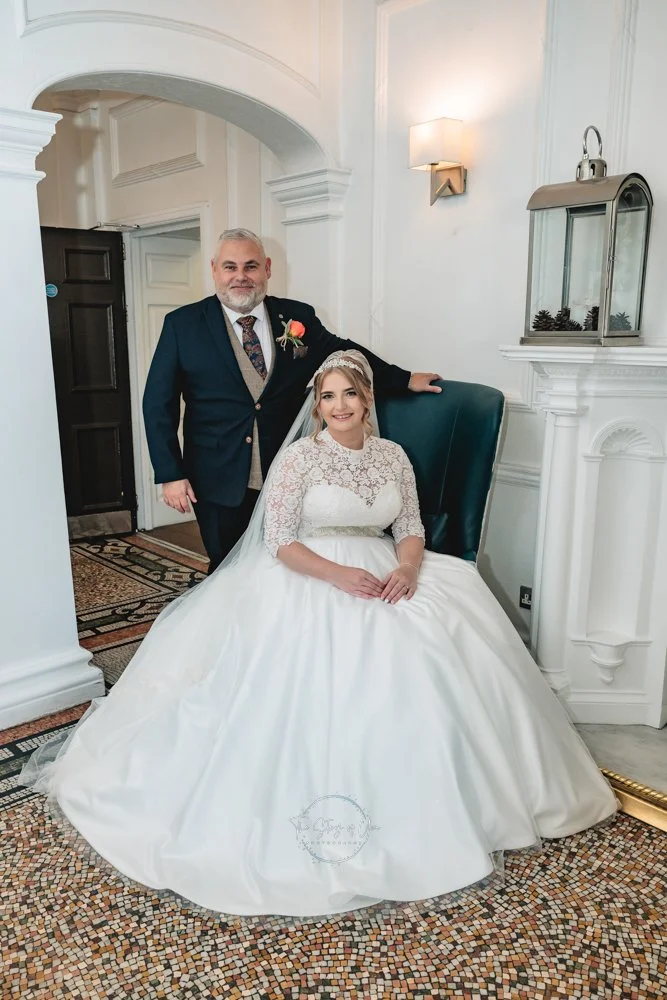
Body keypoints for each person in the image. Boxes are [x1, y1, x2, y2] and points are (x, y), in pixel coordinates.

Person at [23, 350, 617, 919]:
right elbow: (279, 540)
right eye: (328, 396)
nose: (339, 405)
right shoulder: (301, 459)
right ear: (317, 406)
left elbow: (409, 527)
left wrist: (406, 568)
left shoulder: (392, 456)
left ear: (366, 399)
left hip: (388, 567)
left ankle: (457, 803)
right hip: (309, 573)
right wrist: (339, 576)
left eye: (349, 394)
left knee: (446, 633)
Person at [142, 228, 442, 573]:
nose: (241, 276)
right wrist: (170, 473)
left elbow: (343, 351)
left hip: (290, 473)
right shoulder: (182, 324)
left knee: (283, 566)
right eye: (230, 267)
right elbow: (158, 404)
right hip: (215, 474)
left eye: (251, 266)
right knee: (227, 568)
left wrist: (404, 379)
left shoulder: (295, 317)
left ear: (267, 269)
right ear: (214, 269)